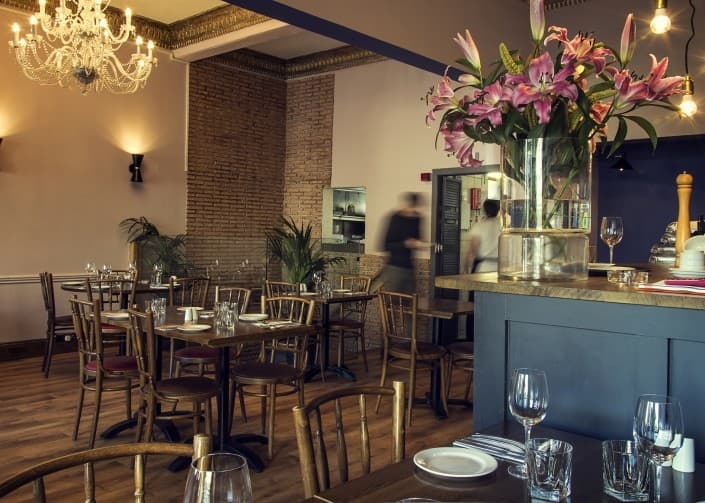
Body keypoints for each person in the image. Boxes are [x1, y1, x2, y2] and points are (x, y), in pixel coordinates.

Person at [381, 192, 427, 294]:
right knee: (391, 300)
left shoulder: (417, 219)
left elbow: (418, 239)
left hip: (410, 268)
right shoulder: (395, 218)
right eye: (412, 207)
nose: (414, 211)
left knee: (410, 300)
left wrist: (421, 244)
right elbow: (385, 245)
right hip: (394, 267)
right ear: (407, 205)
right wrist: (405, 244)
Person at [466, 199, 501, 273]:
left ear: (484, 210)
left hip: (484, 268)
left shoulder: (479, 226)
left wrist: (466, 269)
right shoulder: (503, 226)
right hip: (499, 267)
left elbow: (472, 251)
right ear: (498, 209)